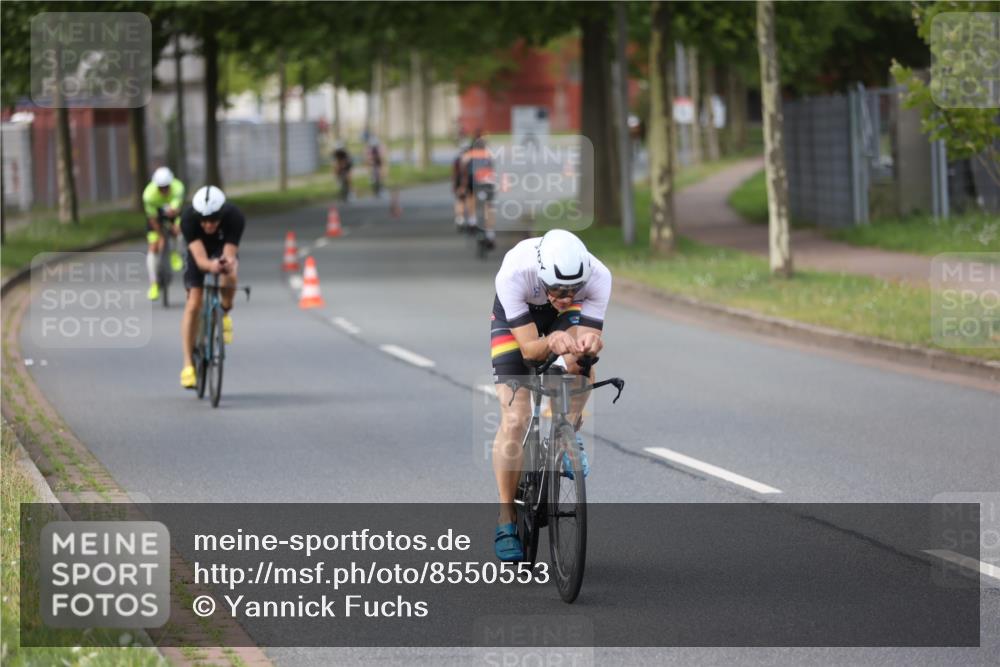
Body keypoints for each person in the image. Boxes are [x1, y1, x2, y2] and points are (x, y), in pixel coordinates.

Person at [489, 229, 612, 561]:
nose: (566, 296)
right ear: (543, 277)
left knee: (580, 360)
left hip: (564, 323)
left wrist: (589, 344)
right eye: (558, 289)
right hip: (518, 320)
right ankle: (506, 518)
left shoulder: (599, 277)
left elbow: (588, 340)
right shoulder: (515, 273)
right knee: (515, 418)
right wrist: (549, 342)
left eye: (574, 289)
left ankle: (569, 432)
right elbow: (529, 351)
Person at [178, 186, 245, 389]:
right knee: (193, 303)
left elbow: (229, 254)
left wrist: (225, 264)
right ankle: (188, 364)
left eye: (214, 220)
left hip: (221, 248)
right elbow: (200, 261)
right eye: (204, 220)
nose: (208, 225)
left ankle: (224, 312)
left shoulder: (235, 217)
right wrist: (210, 265)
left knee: (231, 273)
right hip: (198, 251)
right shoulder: (188, 219)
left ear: (222, 215)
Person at [142, 166, 185, 301]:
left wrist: (174, 225)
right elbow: (152, 218)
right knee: (153, 247)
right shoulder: (148, 195)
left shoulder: (178, 188)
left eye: (167, 187)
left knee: (179, 233)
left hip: (172, 212)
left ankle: (175, 254)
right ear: (156, 186)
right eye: (161, 188)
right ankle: (154, 284)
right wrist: (160, 234)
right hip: (156, 216)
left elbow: (176, 210)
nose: (164, 190)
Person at [460, 134, 496, 246]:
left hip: (472, 182)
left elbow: (463, 169)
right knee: (488, 206)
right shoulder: (488, 154)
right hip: (487, 183)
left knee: (471, 199)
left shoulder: (468, 155)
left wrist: (462, 185)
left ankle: (472, 220)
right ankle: (490, 233)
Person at [452, 144, 470, 229]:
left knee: (461, 201)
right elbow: (457, 175)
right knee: (462, 200)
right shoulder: (466, 161)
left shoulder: (457, 160)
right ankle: (462, 219)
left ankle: (461, 219)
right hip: (462, 183)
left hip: (461, 183)